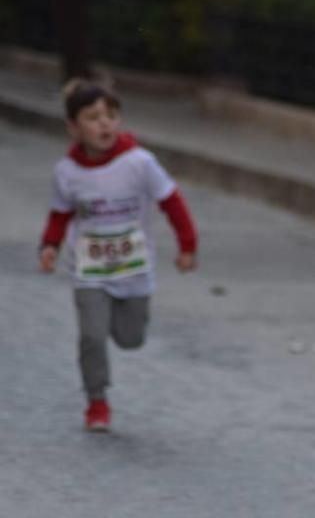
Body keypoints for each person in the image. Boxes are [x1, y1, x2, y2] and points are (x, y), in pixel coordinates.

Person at [38, 79, 198, 432]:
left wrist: (187, 245)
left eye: (111, 115)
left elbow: (172, 202)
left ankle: (114, 317)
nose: (105, 123)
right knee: (92, 336)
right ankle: (96, 401)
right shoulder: (67, 172)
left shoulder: (140, 163)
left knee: (130, 339)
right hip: (89, 270)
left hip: (133, 269)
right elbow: (60, 213)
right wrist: (49, 246)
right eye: (93, 117)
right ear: (73, 127)